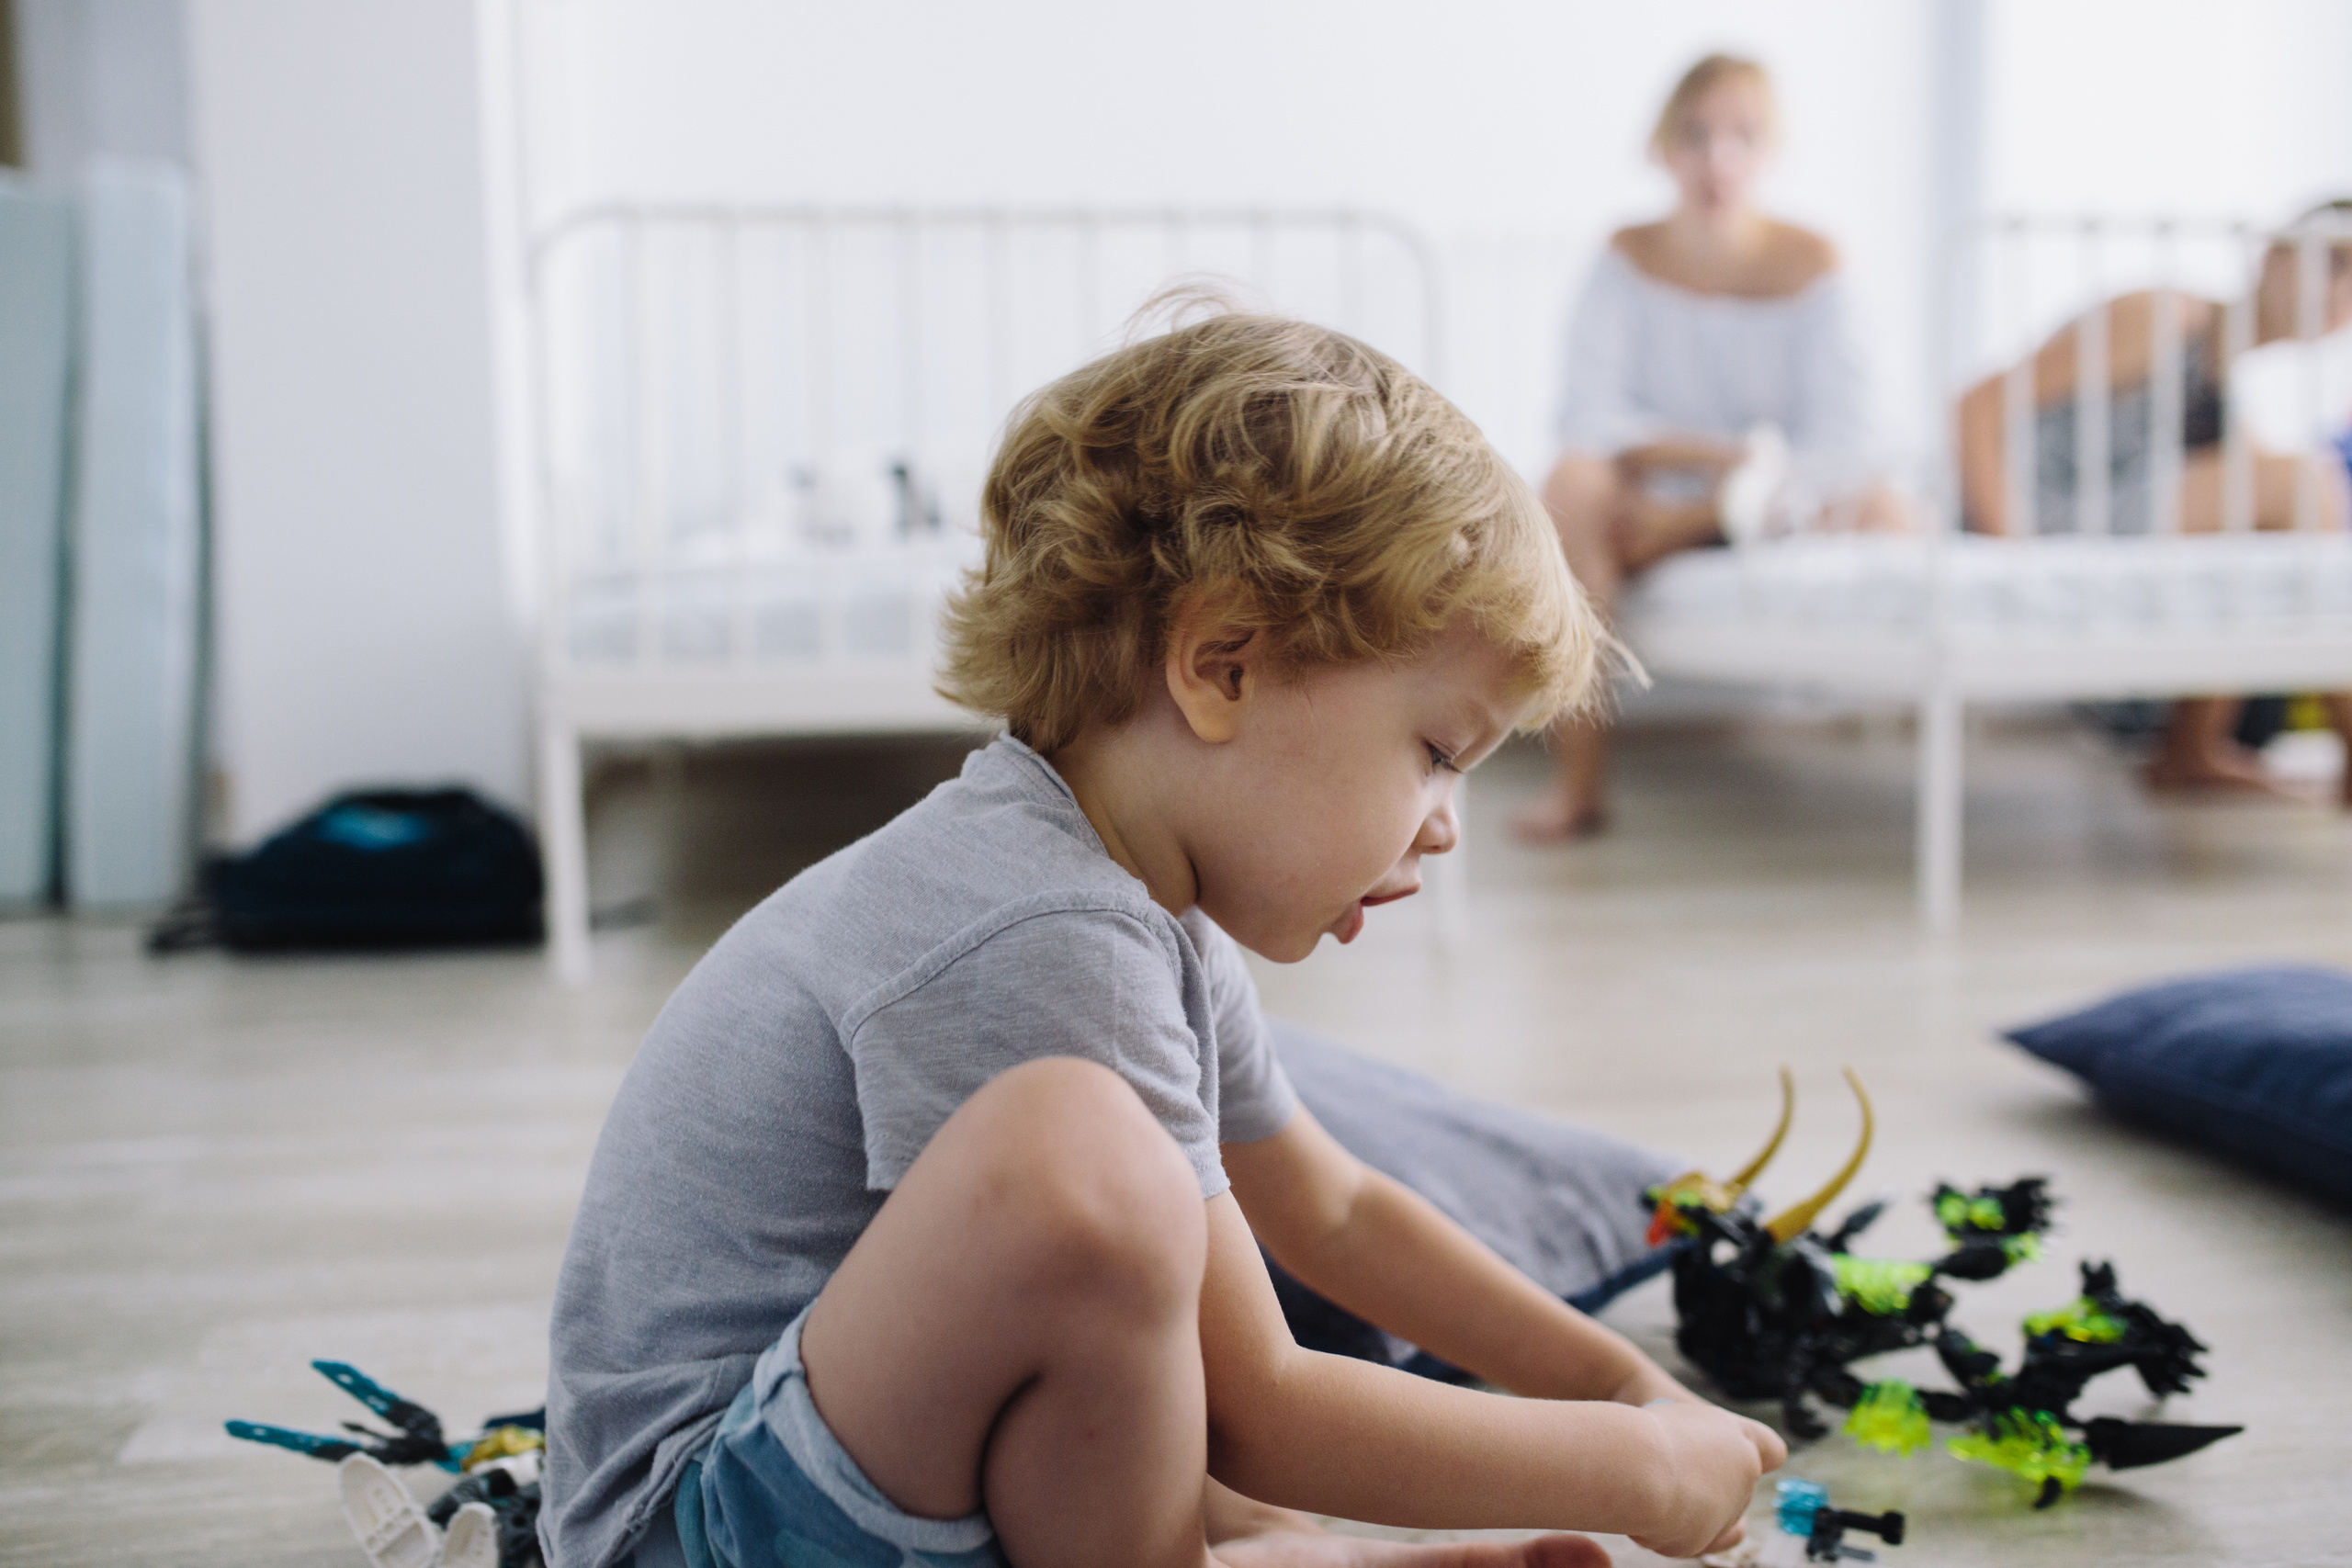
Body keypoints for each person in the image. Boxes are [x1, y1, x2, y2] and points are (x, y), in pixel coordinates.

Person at [541, 307, 1786, 1568]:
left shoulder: (1148, 913)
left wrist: (1624, 1383)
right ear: (1223, 666)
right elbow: (1260, 1406)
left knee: (1147, 1264)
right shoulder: (1039, 922)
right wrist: (1627, 1466)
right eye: (1435, 754)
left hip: (854, 1466)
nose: (1446, 828)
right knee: (1094, 1168)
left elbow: (1338, 1211)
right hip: (695, 1526)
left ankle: (1274, 1553)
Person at [1518, 54, 1902, 842]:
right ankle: (1580, 783)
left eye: (1743, 135)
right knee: (1569, 484)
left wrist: (1720, 498)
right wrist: (1709, 468)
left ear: (1770, 151)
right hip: (1650, 491)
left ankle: (1685, 533)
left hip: (1782, 493)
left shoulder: (1817, 262)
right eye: (1696, 134)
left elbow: (1844, 442)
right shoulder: (1625, 255)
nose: (1717, 158)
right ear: (1664, 147)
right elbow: (1589, 415)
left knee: (1890, 505)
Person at [1956, 201, 2352, 796]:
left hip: (2108, 519)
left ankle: (2191, 748)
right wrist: (2011, 556)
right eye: (2336, 262)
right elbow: (1977, 406)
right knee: (2303, 483)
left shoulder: (2224, 400)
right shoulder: (2163, 318)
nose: (2339, 291)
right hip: (2039, 514)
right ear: (2273, 253)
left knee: (2289, 504)